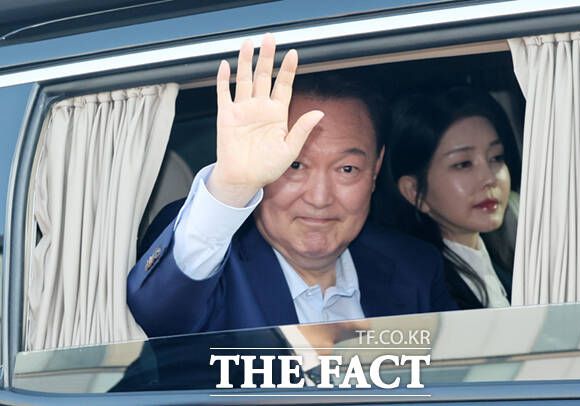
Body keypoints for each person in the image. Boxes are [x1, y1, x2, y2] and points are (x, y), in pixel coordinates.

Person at [127, 34, 457, 338]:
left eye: (347, 169)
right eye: (294, 166)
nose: (319, 198)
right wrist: (232, 187)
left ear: (376, 169)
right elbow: (156, 311)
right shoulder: (212, 262)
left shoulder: (414, 268)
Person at [387, 87, 516, 310]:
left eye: (496, 157)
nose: (489, 178)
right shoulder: (416, 291)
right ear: (414, 191)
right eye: (463, 164)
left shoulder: (505, 260)